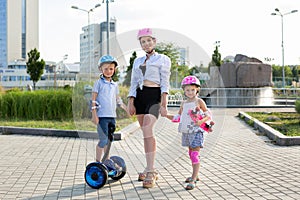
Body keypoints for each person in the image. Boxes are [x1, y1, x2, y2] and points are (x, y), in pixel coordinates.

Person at [127, 28, 171, 188]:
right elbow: (133, 82)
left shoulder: (163, 59)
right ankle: (148, 167)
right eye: (142, 41)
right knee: (145, 133)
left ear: (154, 41)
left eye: (148, 40)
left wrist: (164, 104)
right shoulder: (137, 61)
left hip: (154, 96)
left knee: (147, 130)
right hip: (140, 96)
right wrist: (130, 101)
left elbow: (165, 83)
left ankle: (151, 171)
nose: (146, 44)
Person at [167, 75, 213, 190]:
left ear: (197, 89)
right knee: (191, 153)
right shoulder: (183, 103)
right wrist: (165, 115)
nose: (190, 92)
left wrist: (201, 121)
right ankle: (195, 175)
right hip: (187, 132)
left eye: (193, 89)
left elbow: (208, 114)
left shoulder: (199, 101)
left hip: (197, 131)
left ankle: (193, 179)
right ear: (184, 90)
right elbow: (178, 117)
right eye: (187, 90)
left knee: (194, 154)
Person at [91, 55, 127, 163]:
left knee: (109, 140)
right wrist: (94, 115)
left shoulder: (114, 85)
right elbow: (93, 100)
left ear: (114, 70)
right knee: (103, 140)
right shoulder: (98, 83)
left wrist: (127, 109)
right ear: (100, 69)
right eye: (105, 69)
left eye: (111, 69)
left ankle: (106, 159)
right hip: (102, 117)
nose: (108, 71)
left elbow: (118, 100)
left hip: (112, 117)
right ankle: (97, 162)